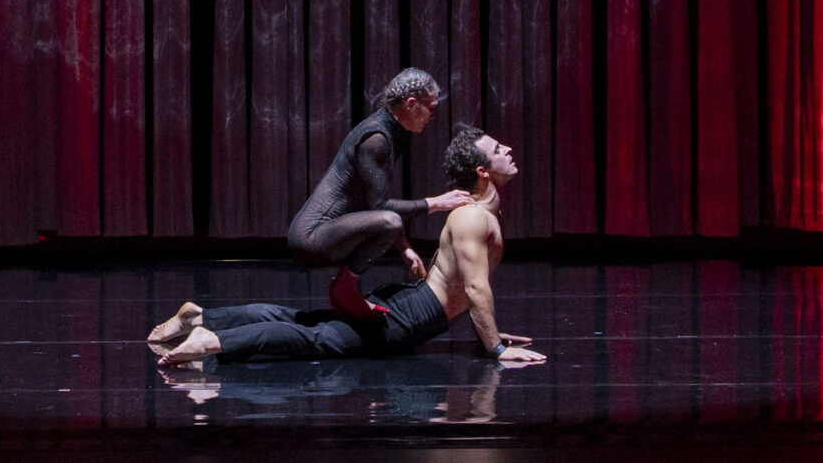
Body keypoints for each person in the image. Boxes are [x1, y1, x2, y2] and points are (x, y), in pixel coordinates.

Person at [149, 124, 546, 366]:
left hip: (413, 306)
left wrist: (488, 333)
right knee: (316, 338)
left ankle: (201, 317)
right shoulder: (473, 216)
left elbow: (466, 284)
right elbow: (474, 287)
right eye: (498, 150)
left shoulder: (482, 214)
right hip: (411, 316)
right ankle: (213, 340)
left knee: (307, 322)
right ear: (482, 171)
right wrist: (494, 349)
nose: (508, 150)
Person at [287, 68, 471, 319]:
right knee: (390, 219)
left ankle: (347, 289)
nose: (432, 117)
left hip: (335, 230)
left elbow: (373, 203)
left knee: (390, 221)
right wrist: (434, 203)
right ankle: (344, 288)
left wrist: (403, 246)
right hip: (312, 237)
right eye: (432, 109)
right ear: (411, 104)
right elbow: (381, 206)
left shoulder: (393, 132)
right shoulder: (376, 137)